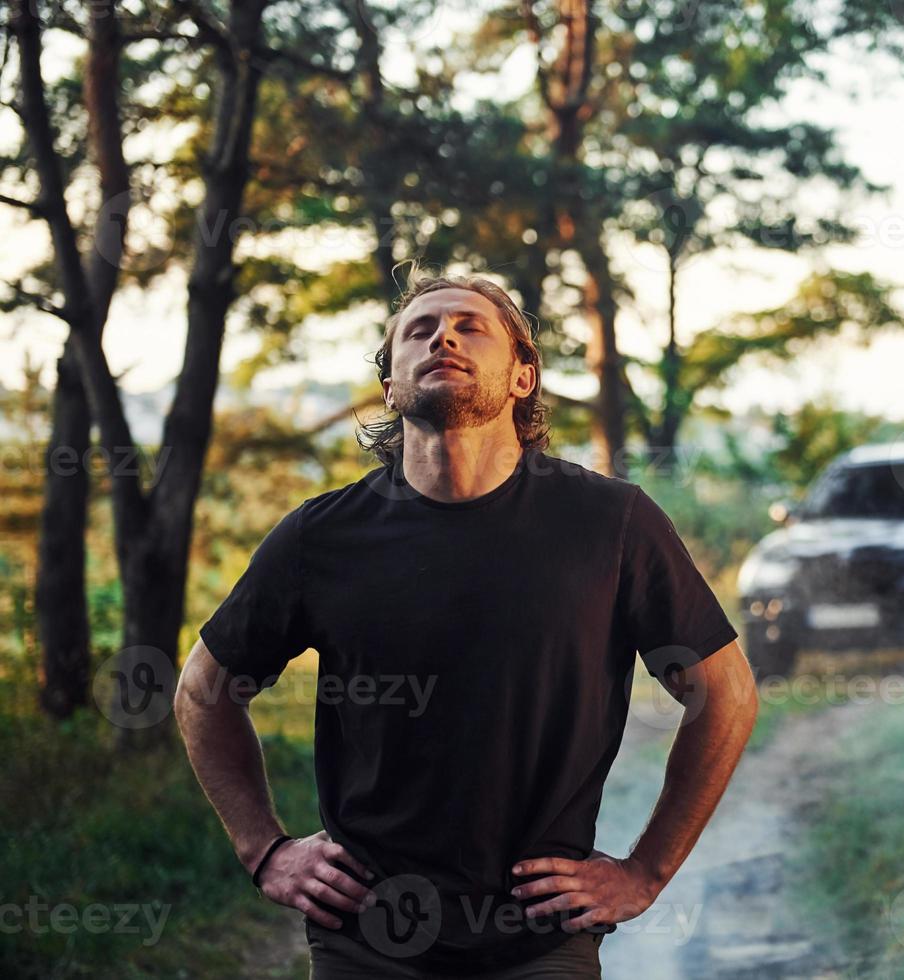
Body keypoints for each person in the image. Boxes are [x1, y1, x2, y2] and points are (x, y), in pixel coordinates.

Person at [174, 264, 760, 978]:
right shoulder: (321, 536)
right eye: (418, 330)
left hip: (541, 937)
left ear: (522, 376)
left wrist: (646, 870)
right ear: (391, 383)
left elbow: (724, 692)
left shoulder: (611, 523)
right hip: (368, 937)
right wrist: (263, 847)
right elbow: (204, 690)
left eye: (469, 325)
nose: (442, 335)